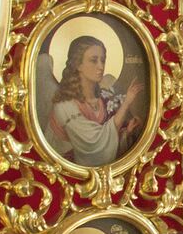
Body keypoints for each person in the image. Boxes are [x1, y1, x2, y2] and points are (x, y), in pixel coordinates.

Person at [48, 36, 145, 166]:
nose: (101, 66)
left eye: (103, 60)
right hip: (69, 173)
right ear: (78, 64)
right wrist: (126, 103)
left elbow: (110, 148)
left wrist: (126, 134)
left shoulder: (104, 99)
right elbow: (95, 145)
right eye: (94, 61)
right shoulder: (64, 106)